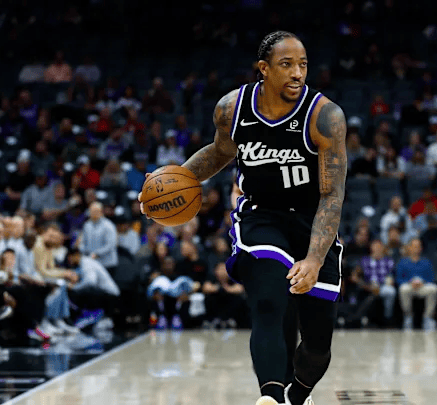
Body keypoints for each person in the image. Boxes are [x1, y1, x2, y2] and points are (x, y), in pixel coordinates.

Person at [139, 31, 347, 405]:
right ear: (263, 69)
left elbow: (332, 194)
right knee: (268, 300)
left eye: (303, 65)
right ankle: (270, 396)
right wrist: (169, 184)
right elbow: (220, 152)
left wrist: (315, 259)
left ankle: (297, 396)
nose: (297, 73)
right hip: (261, 215)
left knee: (317, 345)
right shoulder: (232, 109)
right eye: (287, 64)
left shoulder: (325, 116)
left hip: (312, 220)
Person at [395, 238, 437, 331]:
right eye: (414, 246)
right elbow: (398, 279)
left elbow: (431, 278)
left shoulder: (426, 262)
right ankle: (408, 317)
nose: (416, 248)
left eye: (418, 246)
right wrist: (410, 282)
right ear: (409, 248)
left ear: (421, 249)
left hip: (422, 287)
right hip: (409, 286)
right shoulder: (402, 262)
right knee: (403, 289)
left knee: (434, 288)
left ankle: (428, 318)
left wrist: (422, 282)